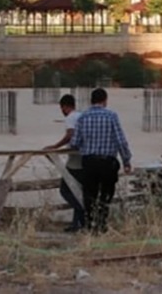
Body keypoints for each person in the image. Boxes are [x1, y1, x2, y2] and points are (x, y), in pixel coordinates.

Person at [70, 88, 132, 234]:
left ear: (91, 101)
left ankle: (90, 225)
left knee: (89, 195)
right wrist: (126, 160)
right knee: (106, 194)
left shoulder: (83, 117)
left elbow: (75, 142)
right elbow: (120, 141)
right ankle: (102, 224)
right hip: (107, 162)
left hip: (89, 162)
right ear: (105, 100)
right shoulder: (111, 116)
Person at [43, 94, 85, 232]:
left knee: (66, 190)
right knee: (77, 190)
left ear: (65, 107)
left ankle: (82, 211)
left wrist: (55, 147)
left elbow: (70, 135)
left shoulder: (70, 118)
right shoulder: (82, 116)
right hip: (84, 157)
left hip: (74, 159)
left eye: (62, 108)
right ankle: (76, 224)